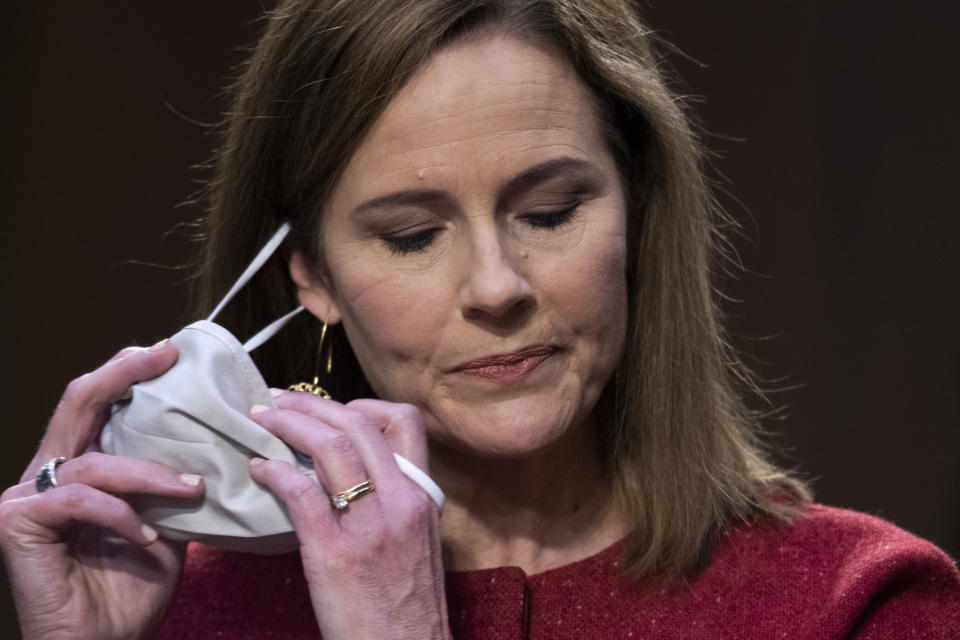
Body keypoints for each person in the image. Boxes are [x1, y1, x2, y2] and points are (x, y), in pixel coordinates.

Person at [2, 0, 959, 638]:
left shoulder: (860, 604)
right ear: (312, 279)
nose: (497, 286)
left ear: (638, 217)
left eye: (549, 213)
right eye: (414, 235)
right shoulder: (181, 613)